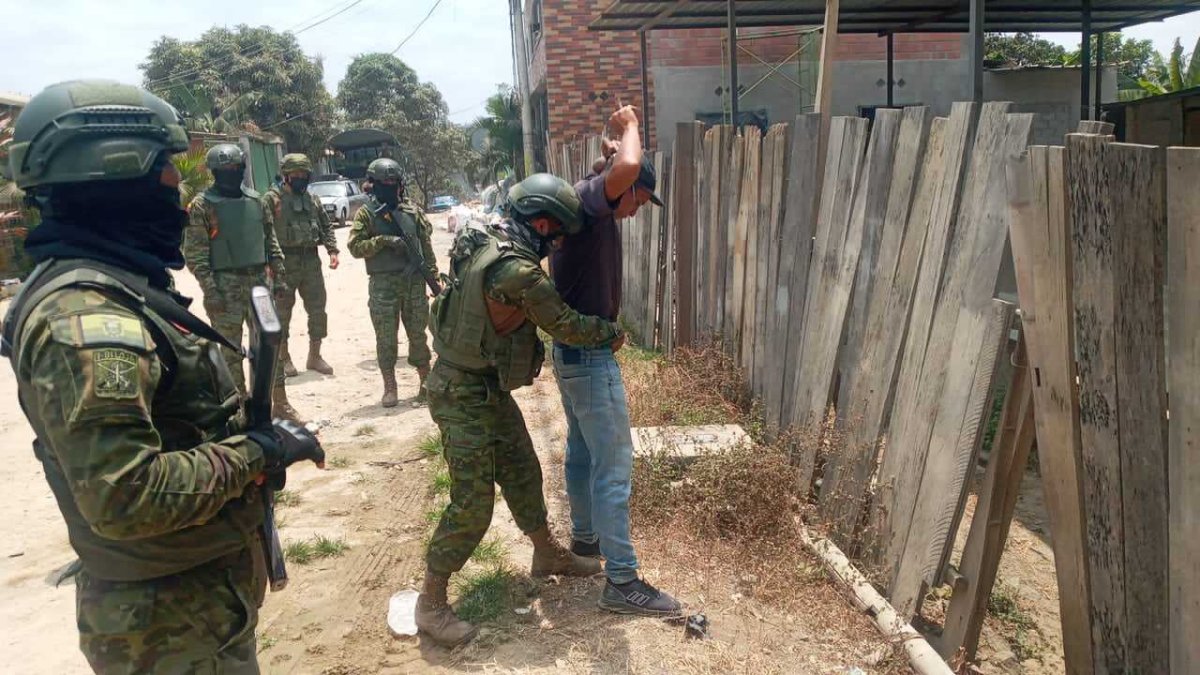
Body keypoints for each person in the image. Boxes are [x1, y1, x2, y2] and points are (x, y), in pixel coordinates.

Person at [2, 79, 325, 673]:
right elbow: (126, 496)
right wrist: (258, 450)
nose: (180, 206)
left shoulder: (120, 288)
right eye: (170, 185)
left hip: (196, 604)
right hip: (166, 625)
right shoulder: (90, 319)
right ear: (114, 183)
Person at [417, 173, 623, 646]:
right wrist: (610, 332)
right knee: (472, 504)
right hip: (461, 393)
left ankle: (546, 553)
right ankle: (430, 603)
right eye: (558, 232)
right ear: (543, 222)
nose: (557, 242)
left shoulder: (484, 235)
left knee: (523, 470)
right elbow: (565, 325)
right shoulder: (518, 272)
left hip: (483, 385)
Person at [549, 105, 681, 616]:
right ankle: (622, 581)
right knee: (614, 464)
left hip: (573, 351)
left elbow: (614, 174)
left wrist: (609, 154)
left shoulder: (582, 201)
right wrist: (627, 127)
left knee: (583, 453)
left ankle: (586, 541)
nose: (635, 211)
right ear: (616, 187)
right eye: (638, 202)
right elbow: (622, 171)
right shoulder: (588, 202)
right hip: (588, 356)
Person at [183, 143, 304, 422]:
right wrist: (210, 289)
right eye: (224, 170)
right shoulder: (202, 206)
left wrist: (280, 275)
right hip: (224, 288)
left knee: (270, 344)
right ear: (214, 172)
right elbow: (196, 254)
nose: (231, 173)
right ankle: (238, 408)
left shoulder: (257, 201)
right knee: (229, 351)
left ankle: (280, 402)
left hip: (260, 284)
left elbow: (269, 240)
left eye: (235, 168)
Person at [347, 158, 438, 407]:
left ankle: (425, 381)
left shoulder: (413, 212)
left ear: (400, 184)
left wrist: (434, 277)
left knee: (418, 334)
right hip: (383, 285)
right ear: (373, 185)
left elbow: (426, 248)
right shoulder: (367, 213)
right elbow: (355, 247)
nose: (390, 187)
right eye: (384, 183)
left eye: (393, 183)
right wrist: (383, 241)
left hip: (414, 282)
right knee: (386, 338)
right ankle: (390, 386)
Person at [261, 153, 339, 377]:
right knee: (282, 313)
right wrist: (267, 262)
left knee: (317, 309)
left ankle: (315, 356)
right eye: (295, 174)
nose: (300, 178)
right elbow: (263, 233)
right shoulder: (271, 200)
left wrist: (332, 250)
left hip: (311, 261)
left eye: (304, 174)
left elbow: (326, 226)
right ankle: (284, 359)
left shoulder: (312, 199)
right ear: (285, 176)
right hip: (283, 263)